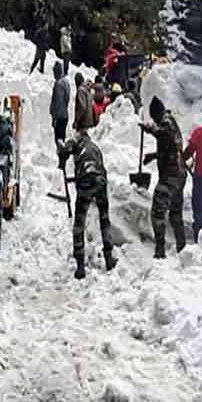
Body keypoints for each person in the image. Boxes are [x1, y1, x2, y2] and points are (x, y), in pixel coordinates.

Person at [57, 129, 115, 279]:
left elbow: (65, 149)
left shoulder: (76, 143)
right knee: (104, 219)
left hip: (85, 183)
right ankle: (109, 258)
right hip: (101, 181)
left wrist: (61, 156)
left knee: (79, 224)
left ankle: (80, 266)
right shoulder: (95, 147)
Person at [140, 96, 186, 258]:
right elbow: (171, 146)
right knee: (175, 214)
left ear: (157, 114)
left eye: (154, 118)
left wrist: (150, 129)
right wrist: (153, 156)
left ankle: (160, 251)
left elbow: (163, 135)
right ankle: (183, 250)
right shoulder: (171, 122)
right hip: (179, 174)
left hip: (171, 176)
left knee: (157, 212)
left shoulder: (166, 122)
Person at [49, 61, 71, 143]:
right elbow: (67, 99)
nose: (53, 74)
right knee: (62, 139)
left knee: (58, 141)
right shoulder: (66, 82)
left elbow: (58, 102)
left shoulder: (58, 84)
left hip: (59, 117)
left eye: (54, 71)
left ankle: (60, 155)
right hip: (65, 115)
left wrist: (55, 118)